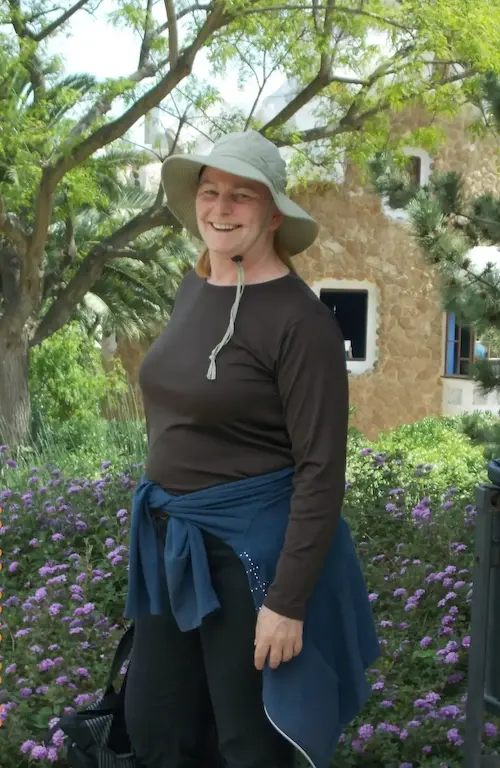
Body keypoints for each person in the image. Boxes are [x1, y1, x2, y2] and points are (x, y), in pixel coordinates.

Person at [123, 129, 379, 768]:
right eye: (210, 192)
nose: (221, 207)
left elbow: (321, 472)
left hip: (250, 560)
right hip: (174, 549)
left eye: (241, 195)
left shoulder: (303, 323)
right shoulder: (196, 286)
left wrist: (286, 604)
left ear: (272, 213)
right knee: (158, 727)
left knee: (248, 743)